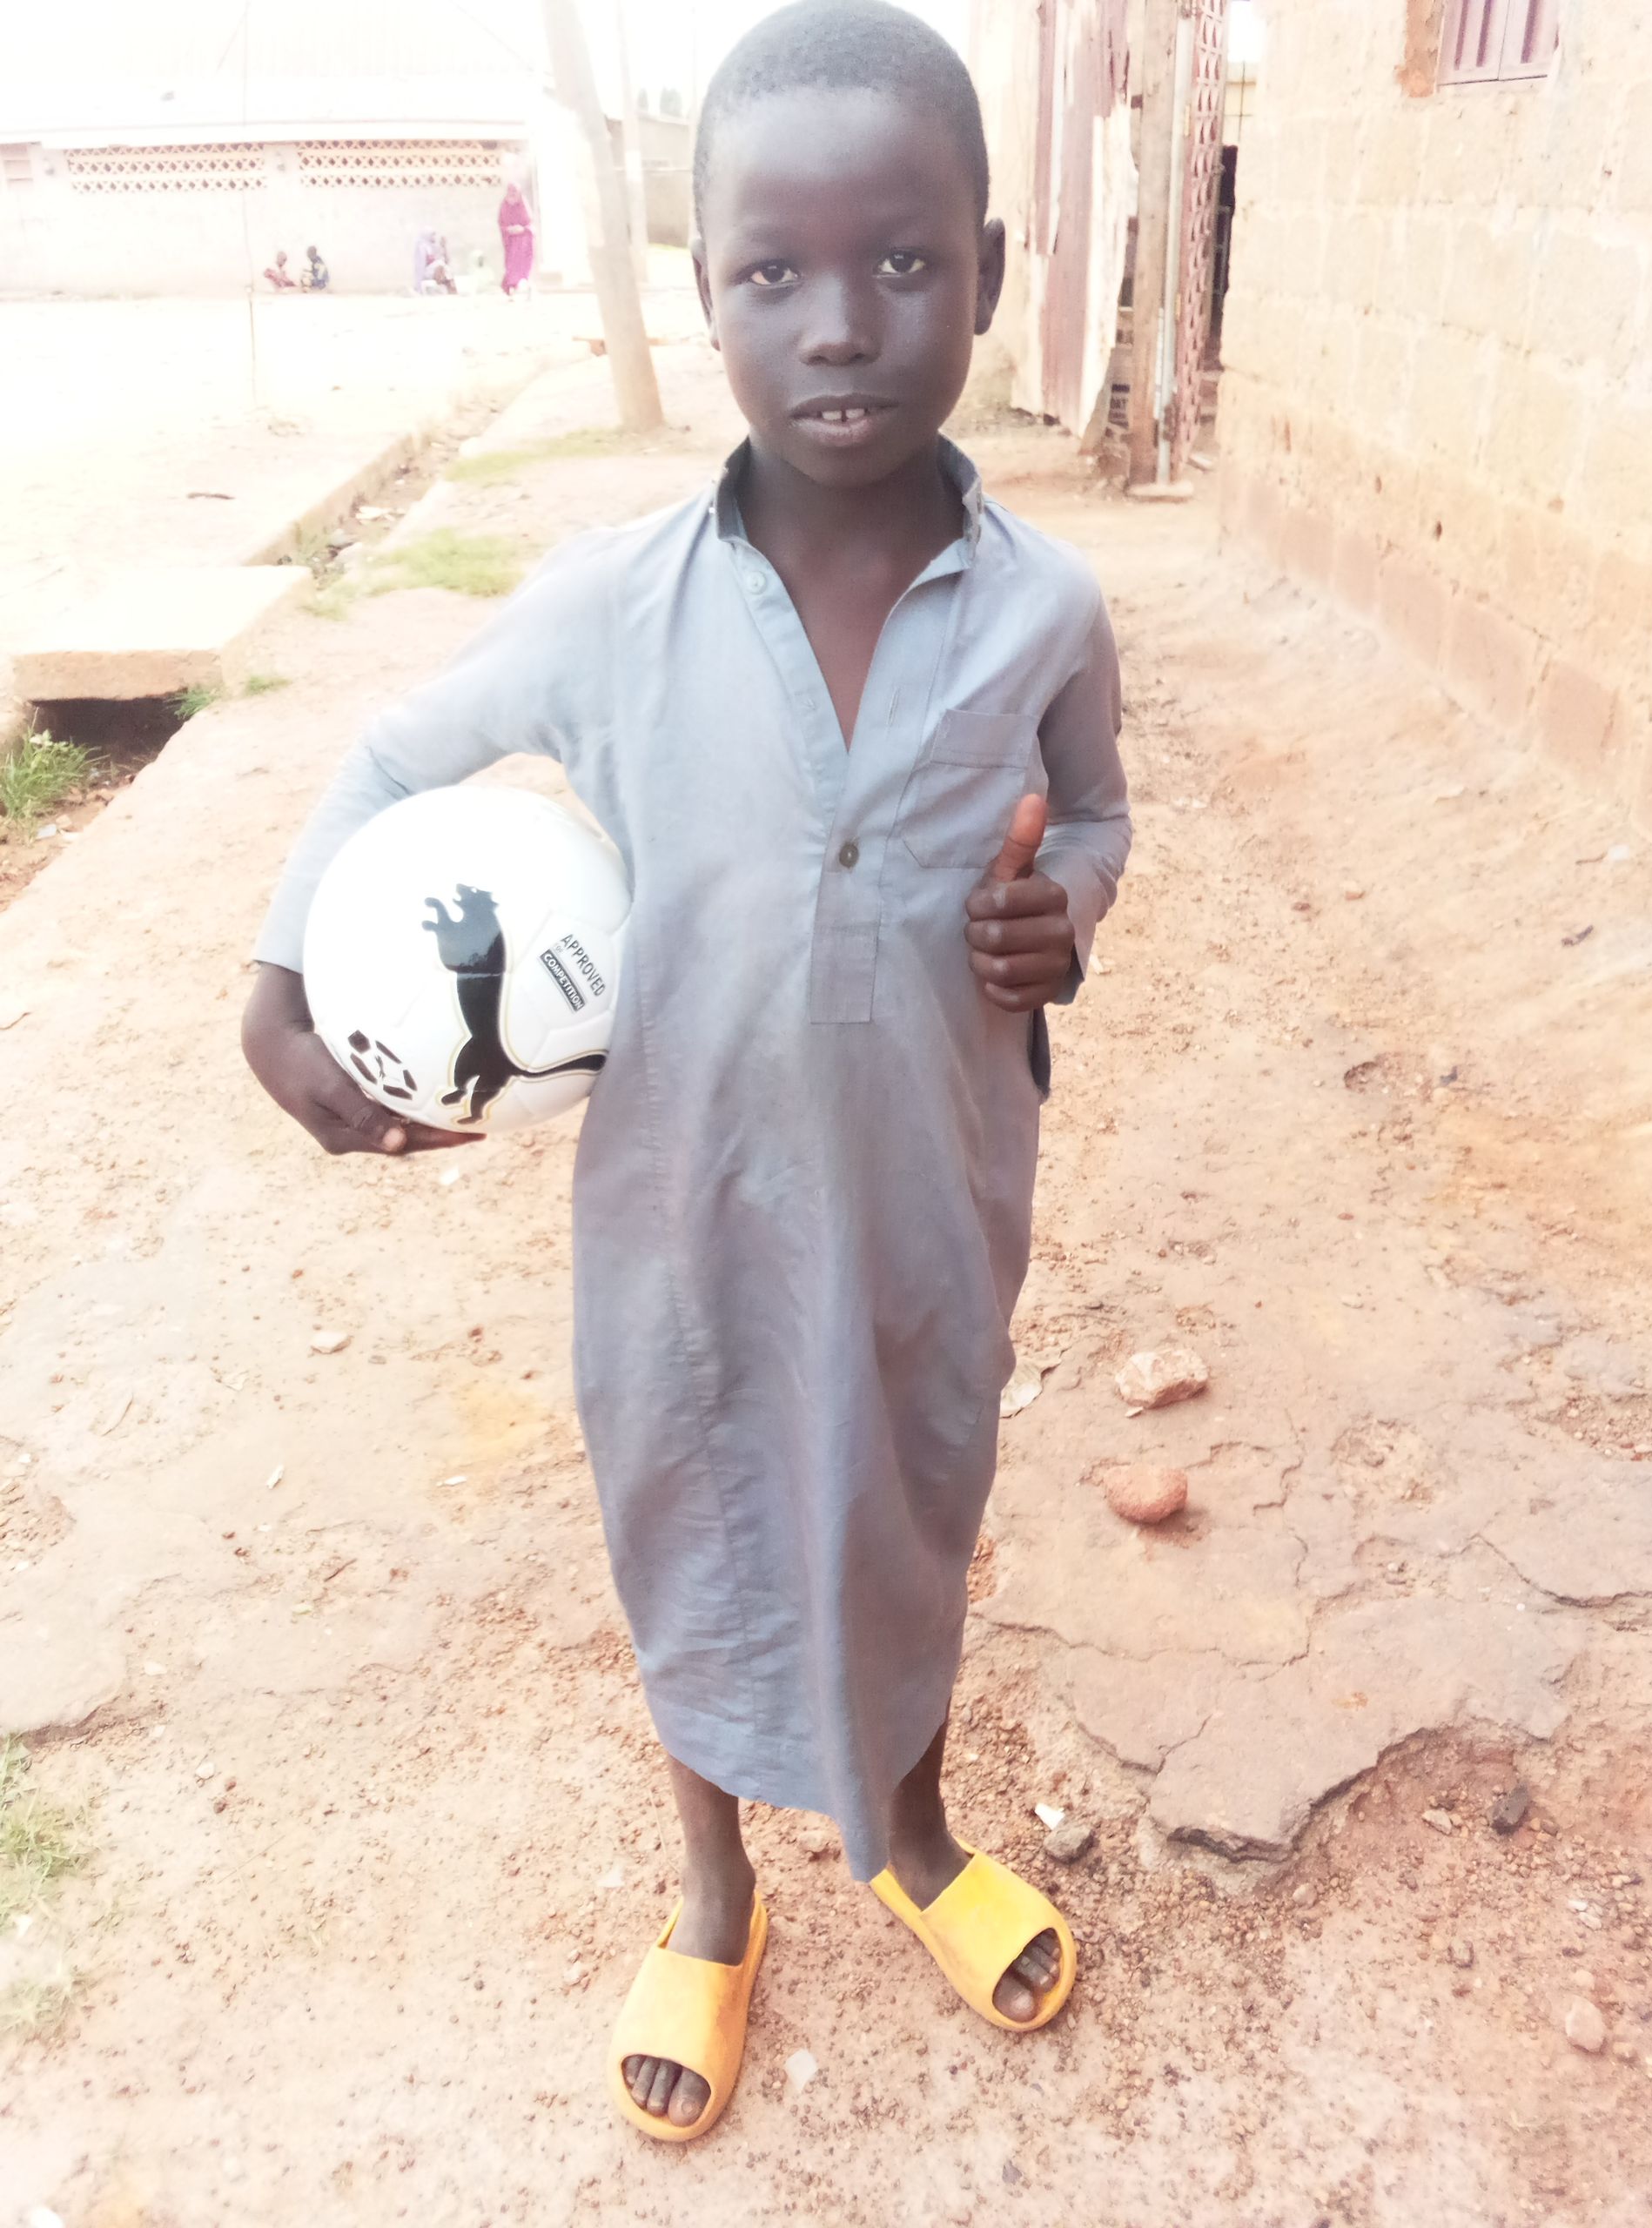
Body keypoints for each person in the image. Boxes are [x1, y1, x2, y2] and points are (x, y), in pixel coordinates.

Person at [242, 0, 1128, 2148]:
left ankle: (908, 1832)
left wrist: (1067, 911)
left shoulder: (1047, 610)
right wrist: (283, 977)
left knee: (912, 1492)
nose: (840, 323)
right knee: (696, 1509)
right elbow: (393, 752)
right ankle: (716, 1887)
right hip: (679, 1202)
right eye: (771, 271)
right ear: (702, 287)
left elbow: (1094, 813)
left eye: (901, 261)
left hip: (932, 1188)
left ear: (989, 272)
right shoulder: (612, 606)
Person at [497, 181, 534, 294]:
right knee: (511, 265)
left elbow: (530, 224)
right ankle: (511, 286)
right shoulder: (504, 206)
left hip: (523, 243)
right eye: (510, 191)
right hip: (511, 242)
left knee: (522, 265)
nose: (512, 194)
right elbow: (501, 223)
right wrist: (509, 229)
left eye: (515, 191)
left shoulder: (523, 205)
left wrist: (522, 229)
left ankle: (522, 284)